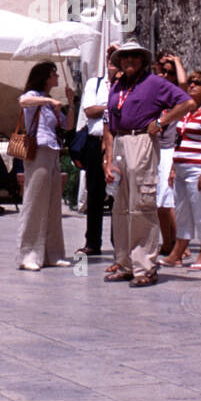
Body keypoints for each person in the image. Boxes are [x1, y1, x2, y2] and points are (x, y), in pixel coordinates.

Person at [102, 41, 195, 287]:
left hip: (141, 139)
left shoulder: (153, 83)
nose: (129, 60)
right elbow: (109, 126)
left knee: (141, 205)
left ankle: (145, 266)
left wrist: (162, 122)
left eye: (135, 56)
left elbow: (187, 102)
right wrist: (108, 160)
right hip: (121, 141)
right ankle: (124, 263)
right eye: (125, 57)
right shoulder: (117, 86)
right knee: (120, 207)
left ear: (142, 60)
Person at [160, 71, 201, 269]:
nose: (192, 86)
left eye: (197, 83)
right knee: (182, 212)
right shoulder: (187, 111)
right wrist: (172, 168)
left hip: (200, 169)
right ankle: (177, 253)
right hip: (181, 169)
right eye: (191, 83)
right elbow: (180, 141)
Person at [16, 62, 75, 270]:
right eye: (54, 73)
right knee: (35, 202)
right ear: (45, 77)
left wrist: (70, 103)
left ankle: (53, 253)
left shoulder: (51, 103)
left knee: (52, 204)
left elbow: (67, 126)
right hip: (38, 151)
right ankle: (28, 254)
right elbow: (23, 100)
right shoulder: (34, 96)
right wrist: (48, 99)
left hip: (53, 151)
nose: (57, 76)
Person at [75, 46, 118, 257]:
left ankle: (119, 241)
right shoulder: (96, 83)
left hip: (118, 143)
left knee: (119, 194)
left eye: (117, 56)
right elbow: (89, 111)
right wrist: (112, 105)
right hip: (95, 142)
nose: (112, 60)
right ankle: (92, 241)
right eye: (109, 56)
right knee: (95, 193)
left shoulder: (127, 86)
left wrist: (104, 107)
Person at [154, 51, 187, 254]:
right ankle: (167, 242)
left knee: (168, 199)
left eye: (169, 73)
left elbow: (183, 83)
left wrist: (177, 61)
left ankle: (178, 244)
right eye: (162, 72)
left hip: (170, 149)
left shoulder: (178, 95)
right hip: (156, 148)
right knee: (160, 200)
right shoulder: (157, 92)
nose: (164, 76)